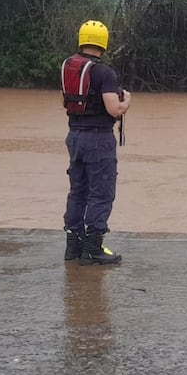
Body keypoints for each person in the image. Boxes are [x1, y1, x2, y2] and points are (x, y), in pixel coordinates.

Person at [61, 20, 130, 265]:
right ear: (103, 42)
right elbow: (114, 109)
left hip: (74, 136)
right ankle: (93, 248)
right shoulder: (104, 72)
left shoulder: (68, 66)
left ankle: (73, 247)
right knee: (101, 193)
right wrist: (127, 102)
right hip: (99, 138)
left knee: (78, 191)